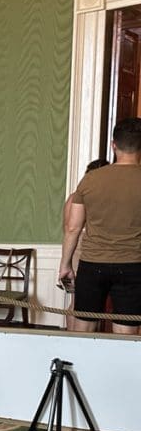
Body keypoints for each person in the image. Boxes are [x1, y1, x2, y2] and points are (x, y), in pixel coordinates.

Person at [59, 118, 141, 335]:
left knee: (83, 332)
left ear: (114, 144)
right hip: (133, 265)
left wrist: (65, 265)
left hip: (92, 264)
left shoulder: (90, 180)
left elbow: (73, 228)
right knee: (126, 337)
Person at [61, 157, 108, 331]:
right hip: (85, 249)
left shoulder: (73, 196)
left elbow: (67, 228)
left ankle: (72, 339)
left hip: (71, 248)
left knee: (75, 302)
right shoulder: (92, 197)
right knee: (85, 306)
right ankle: (79, 341)